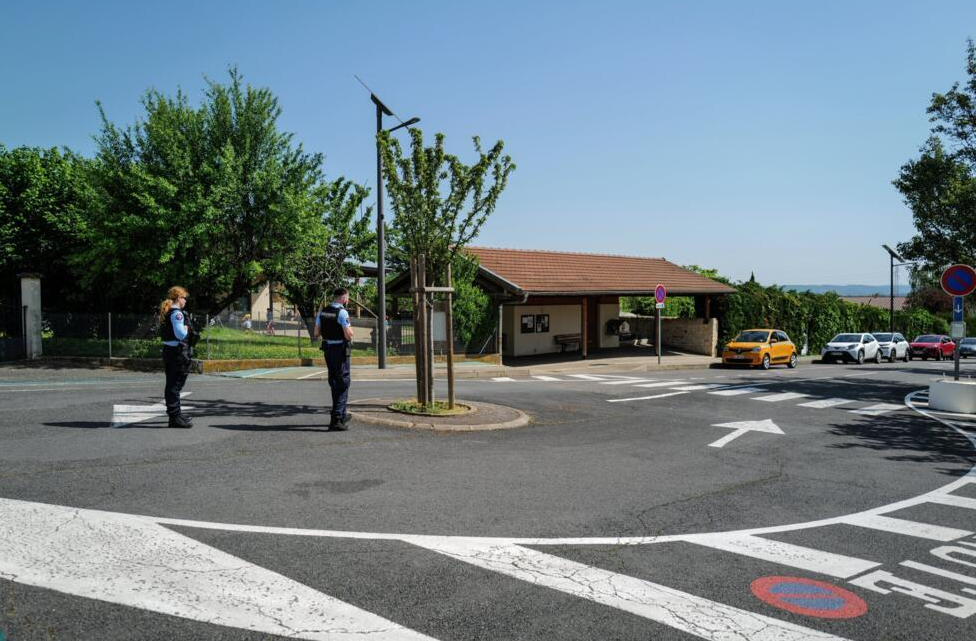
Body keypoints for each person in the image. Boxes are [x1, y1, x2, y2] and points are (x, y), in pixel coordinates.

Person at [314, 287, 355, 430]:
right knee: (343, 382)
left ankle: (341, 414)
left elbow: (316, 332)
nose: (347, 300)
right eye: (347, 298)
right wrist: (351, 332)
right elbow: (348, 334)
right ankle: (337, 419)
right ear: (343, 298)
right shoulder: (342, 312)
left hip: (328, 350)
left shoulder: (323, 311)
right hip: (339, 350)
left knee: (334, 382)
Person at [158, 286, 193, 428]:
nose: (185, 301)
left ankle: (176, 414)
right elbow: (180, 334)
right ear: (179, 298)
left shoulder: (170, 312)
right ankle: (174, 417)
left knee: (173, 384)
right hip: (177, 353)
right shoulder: (177, 314)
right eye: (184, 298)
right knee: (175, 385)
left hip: (170, 351)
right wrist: (186, 328)